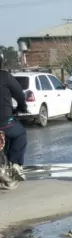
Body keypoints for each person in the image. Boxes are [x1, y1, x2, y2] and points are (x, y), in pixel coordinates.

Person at [0, 52, 28, 181]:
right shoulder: (5, 76)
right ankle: (16, 164)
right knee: (20, 133)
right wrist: (22, 107)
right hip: (4, 121)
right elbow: (19, 95)